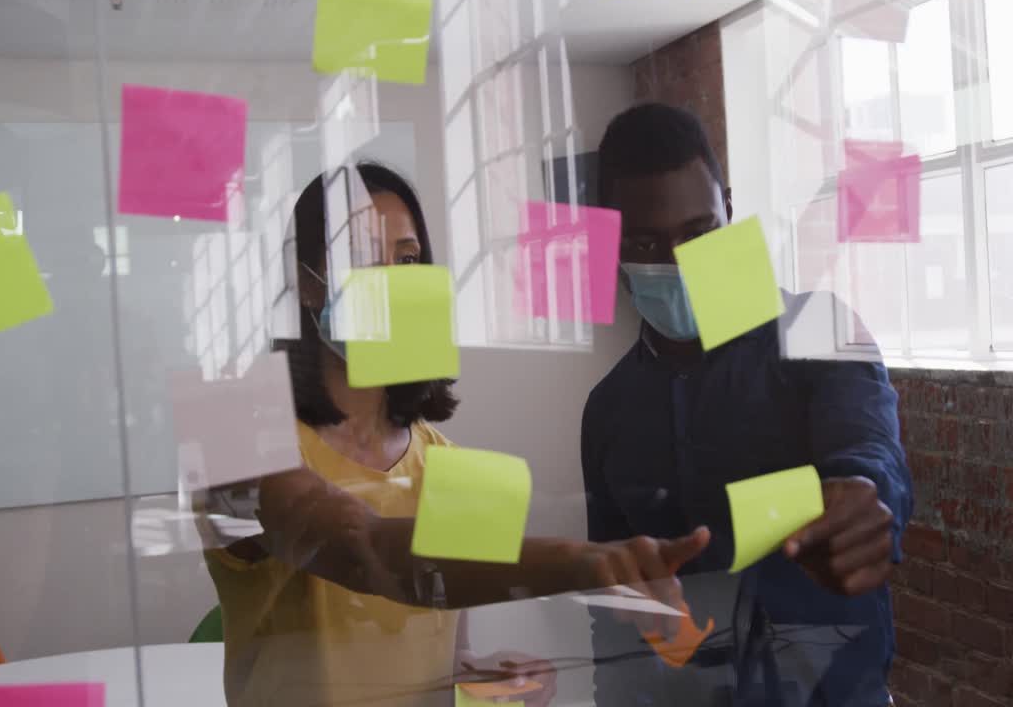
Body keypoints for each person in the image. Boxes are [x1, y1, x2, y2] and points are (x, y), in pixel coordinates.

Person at [200, 161, 710, 706]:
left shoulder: (449, 462)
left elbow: (446, 648)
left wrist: (480, 675)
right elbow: (364, 553)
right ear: (305, 281)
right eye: (362, 256)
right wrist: (583, 563)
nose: (392, 279)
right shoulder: (229, 430)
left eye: (408, 258)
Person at [581, 105, 913, 706]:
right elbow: (616, 601)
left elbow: (869, 453)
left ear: (729, 214)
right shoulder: (608, 411)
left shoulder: (818, 328)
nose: (677, 261)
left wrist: (864, 492)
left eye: (698, 232)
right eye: (646, 243)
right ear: (613, 247)